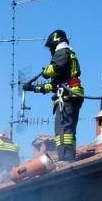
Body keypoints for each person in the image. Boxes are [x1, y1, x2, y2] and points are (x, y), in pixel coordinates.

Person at [23, 29, 84, 164]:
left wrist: (46, 71)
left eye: (51, 47)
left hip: (68, 96)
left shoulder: (62, 52)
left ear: (56, 43)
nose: (51, 51)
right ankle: (68, 156)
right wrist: (33, 88)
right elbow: (53, 86)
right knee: (67, 129)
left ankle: (66, 158)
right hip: (69, 94)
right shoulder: (68, 54)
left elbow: (56, 67)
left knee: (63, 129)